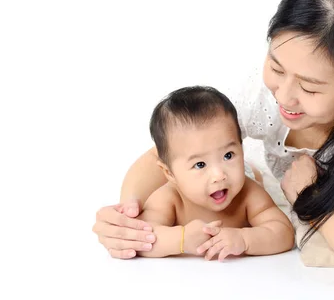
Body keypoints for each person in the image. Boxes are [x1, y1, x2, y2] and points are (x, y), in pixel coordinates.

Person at [92, 0, 334, 291]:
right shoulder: (268, 89)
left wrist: (308, 199)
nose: (284, 96)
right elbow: (176, 149)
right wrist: (128, 219)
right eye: (276, 68)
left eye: (310, 88)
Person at [121, 85, 294, 260]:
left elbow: (283, 233)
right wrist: (180, 239)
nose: (219, 175)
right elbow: (141, 237)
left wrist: (245, 239)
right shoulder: (170, 198)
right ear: (170, 173)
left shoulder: (248, 193)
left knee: (255, 175)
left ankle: (251, 168)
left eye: (228, 155)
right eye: (200, 164)